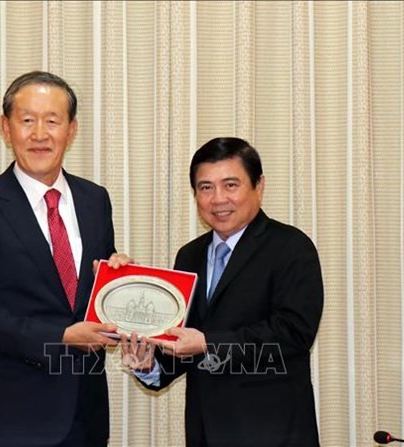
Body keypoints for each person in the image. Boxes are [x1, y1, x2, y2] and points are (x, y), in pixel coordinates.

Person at [0, 71, 130, 446]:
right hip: (12, 417)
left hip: (86, 414)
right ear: (6, 127)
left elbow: (88, 300)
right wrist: (61, 336)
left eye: (52, 121)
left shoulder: (95, 200)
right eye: (27, 120)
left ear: (72, 129)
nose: (40, 134)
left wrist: (118, 283)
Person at [122, 137, 324, 446]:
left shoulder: (291, 247)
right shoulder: (188, 256)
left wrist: (207, 343)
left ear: (259, 186)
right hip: (205, 431)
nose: (218, 199)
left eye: (230, 185)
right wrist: (149, 364)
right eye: (206, 187)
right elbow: (184, 344)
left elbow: (293, 333)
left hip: (273, 431)